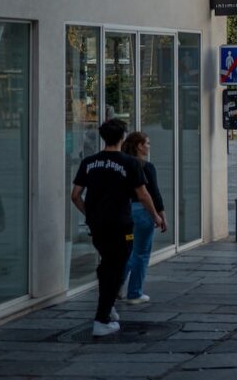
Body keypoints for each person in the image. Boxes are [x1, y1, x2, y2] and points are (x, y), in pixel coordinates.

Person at [70, 119, 165, 338]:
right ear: (122, 137)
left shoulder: (89, 162)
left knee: (107, 264)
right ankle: (102, 319)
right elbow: (143, 194)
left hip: (97, 225)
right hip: (121, 223)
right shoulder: (129, 163)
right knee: (115, 267)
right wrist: (156, 216)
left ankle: (108, 308)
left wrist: (90, 214)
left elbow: (75, 195)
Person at [118, 131, 162, 304]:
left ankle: (115, 286)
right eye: (147, 143)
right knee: (141, 253)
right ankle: (134, 293)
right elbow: (153, 194)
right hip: (142, 211)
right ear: (139, 146)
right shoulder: (145, 166)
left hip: (123, 211)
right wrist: (159, 215)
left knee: (127, 252)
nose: (149, 146)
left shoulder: (121, 164)